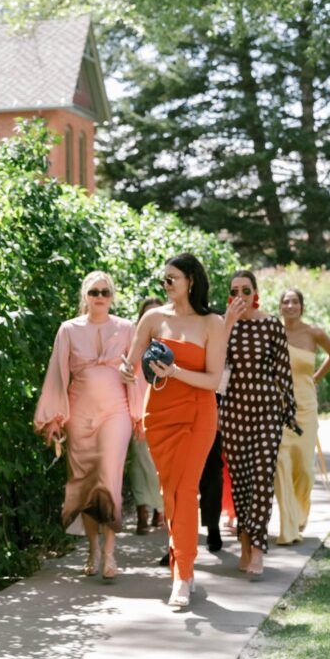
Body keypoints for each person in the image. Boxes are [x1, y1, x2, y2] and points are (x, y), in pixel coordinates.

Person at [120, 254, 225, 608]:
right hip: (160, 413)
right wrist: (125, 370)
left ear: (191, 280)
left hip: (198, 414)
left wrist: (175, 371)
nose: (166, 284)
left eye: (172, 278)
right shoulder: (153, 318)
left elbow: (213, 380)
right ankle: (182, 565)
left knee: (185, 488)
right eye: (163, 279)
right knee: (170, 492)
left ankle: (183, 573)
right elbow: (131, 362)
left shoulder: (213, 322)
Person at [35, 271, 142, 581]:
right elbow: (57, 374)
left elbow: (136, 372)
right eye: (94, 291)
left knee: (109, 479)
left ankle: (109, 552)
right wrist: (55, 417)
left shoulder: (126, 328)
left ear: (112, 296)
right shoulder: (68, 329)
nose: (99, 297)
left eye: (105, 292)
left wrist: (138, 414)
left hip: (116, 413)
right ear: (85, 295)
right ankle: (92, 548)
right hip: (80, 413)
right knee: (84, 482)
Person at [220, 270, 299, 579]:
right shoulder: (224, 327)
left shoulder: (271, 326)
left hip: (266, 410)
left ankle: (257, 548)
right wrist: (215, 410)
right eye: (234, 289)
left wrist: (288, 410)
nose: (240, 294)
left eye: (246, 289)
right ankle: (244, 538)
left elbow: (283, 370)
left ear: (255, 292)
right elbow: (217, 367)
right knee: (240, 481)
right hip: (234, 411)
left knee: (262, 478)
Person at [274, 288, 330, 544]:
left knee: (304, 469)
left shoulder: (314, 332)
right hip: (278, 409)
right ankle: (287, 526)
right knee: (281, 464)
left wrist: (315, 378)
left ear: (301, 306)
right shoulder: (273, 333)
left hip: (306, 408)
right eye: (285, 302)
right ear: (280, 307)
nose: (290, 306)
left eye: (294, 302)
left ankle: (300, 515)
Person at [128, 297, 165, 535]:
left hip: (163, 413)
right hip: (136, 411)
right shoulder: (133, 345)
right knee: (138, 463)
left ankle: (159, 509)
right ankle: (142, 509)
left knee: (156, 464)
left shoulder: (169, 346)